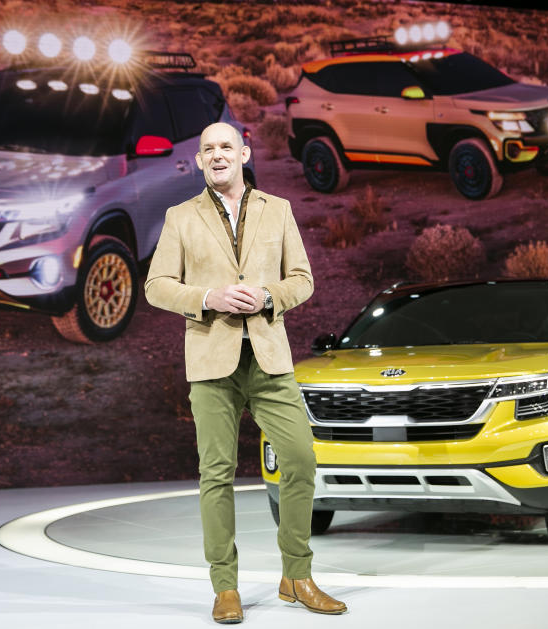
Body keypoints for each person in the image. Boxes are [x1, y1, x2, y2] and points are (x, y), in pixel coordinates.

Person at [145, 122, 347, 623]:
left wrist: (268, 296)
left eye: (226, 147)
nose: (217, 155)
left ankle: (296, 575)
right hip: (212, 359)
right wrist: (207, 298)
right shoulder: (180, 217)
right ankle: (225, 587)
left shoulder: (277, 210)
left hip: (269, 357)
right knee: (216, 474)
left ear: (243, 153)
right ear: (198, 161)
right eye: (208, 149)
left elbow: (302, 279)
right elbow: (156, 286)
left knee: (299, 459)